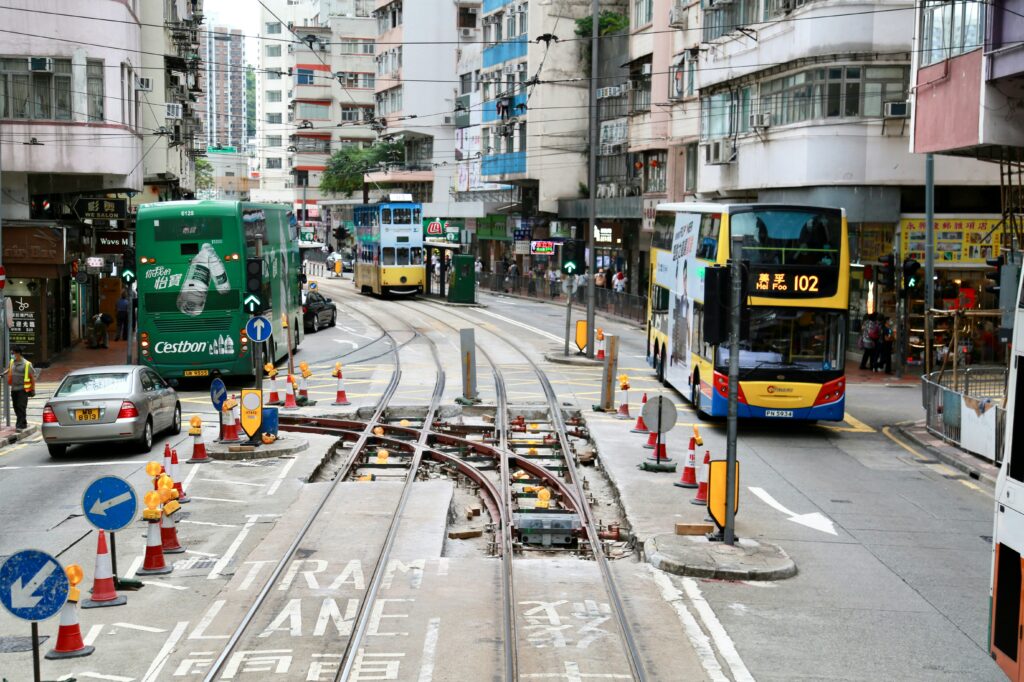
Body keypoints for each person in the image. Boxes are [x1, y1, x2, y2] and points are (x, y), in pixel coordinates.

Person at [7, 346, 37, 431]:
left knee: (21, 406)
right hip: (14, 388)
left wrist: (33, 389)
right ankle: (23, 422)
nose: (12, 355)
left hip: (23, 389)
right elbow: (9, 369)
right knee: (15, 406)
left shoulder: (27, 364)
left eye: (13, 353)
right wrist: (3, 373)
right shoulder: (12, 362)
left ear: (18, 353)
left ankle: (19, 425)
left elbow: (32, 377)